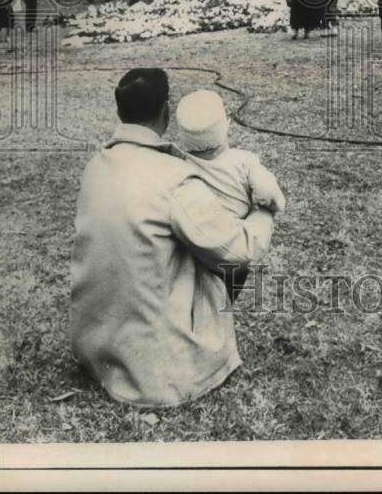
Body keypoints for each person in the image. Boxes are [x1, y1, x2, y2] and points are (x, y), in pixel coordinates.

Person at [69, 69, 275, 407]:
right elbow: (238, 251)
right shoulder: (176, 178)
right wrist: (264, 212)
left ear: (120, 112)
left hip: (94, 345)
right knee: (226, 257)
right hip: (154, 374)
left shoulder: (95, 165)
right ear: (166, 111)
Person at [174, 90, 286, 301]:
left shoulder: (180, 165)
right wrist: (271, 206)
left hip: (197, 249)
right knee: (225, 299)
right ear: (226, 126)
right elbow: (268, 192)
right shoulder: (244, 161)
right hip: (233, 254)